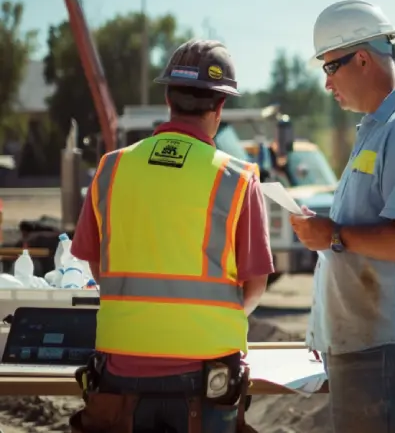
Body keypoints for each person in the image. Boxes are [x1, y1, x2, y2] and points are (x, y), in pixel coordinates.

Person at [69, 39, 274, 433]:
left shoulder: (111, 169)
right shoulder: (237, 179)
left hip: (119, 375)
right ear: (220, 106)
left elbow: (98, 266)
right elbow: (255, 287)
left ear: (168, 97)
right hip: (206, 379)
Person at [290, 0, 395, 433]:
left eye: (330, 67)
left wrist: (334, 235)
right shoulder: (380, 129)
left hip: (384, 344)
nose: (326, 83)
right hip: (367, 342)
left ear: (361, 58)